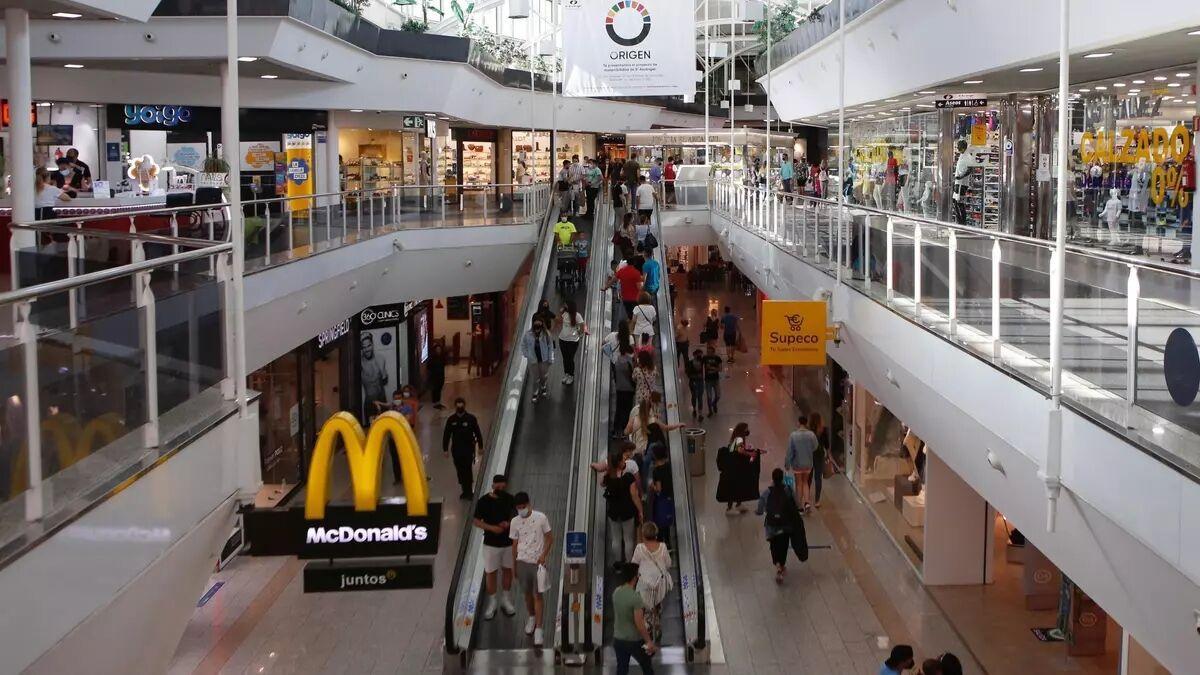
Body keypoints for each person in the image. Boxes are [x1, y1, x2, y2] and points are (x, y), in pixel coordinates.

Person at [509, 491, 553, 646]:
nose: (521, 510)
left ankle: (539, 629)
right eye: (518, 508)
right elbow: (514, 545)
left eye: (523, 506)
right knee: (527, 594)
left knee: (538, 595)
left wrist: (544, 555)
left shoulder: (541, 518)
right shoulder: (514, 522)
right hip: (522, 562)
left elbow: (550, 538)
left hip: (537, 563)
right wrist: (514, 565)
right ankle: (532, 617)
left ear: (529, 504)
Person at [474, 474, 518, 620]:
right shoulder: (483, 501)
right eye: (498, 486)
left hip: (508, 543)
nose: (500, 489)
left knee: (507, 570)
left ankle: (505, 599)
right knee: (491, 573)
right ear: (493, 485)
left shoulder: (510, 499)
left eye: (503, 486)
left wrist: (509, 523)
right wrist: (492, 528)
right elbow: (475, 521)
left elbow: (517, 516)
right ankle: (492, 602)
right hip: (490, 544)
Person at [756, 468, 809, 583]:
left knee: (774, 546)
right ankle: (782, 564)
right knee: (783, 546)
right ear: (782, 479)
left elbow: (760, 506)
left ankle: (778, 565)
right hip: (785, 524)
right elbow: (797, 503)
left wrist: (759, 512)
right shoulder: (788, 490)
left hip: (772, 526)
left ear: (773, 478)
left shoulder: (768, 492)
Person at [612, 562, 657, 675]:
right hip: (633, 641)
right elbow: (639, 623)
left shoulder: (616, 592)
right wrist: (648, 641)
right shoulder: (635, 598)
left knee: (622, 670)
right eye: (638, 575)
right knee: (647, 667)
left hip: (618, 639)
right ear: (634, 577)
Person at [631, 521, 672, 642]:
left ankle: (648, 630)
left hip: (644, 586)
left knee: (645, 608)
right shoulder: (663, 547)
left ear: (643, 535)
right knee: (657, 606)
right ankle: (657, 627)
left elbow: (634, 565)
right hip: (659, 585)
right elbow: (668, 564)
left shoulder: (639, 548)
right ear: (656, 535)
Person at [602, 451, 642, 562]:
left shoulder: (609, 478)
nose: (624, 461)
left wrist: (608, 471)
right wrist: (640, 510)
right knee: (628, 540)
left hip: (614, 512)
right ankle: (629, 563)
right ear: (619, 463)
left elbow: (602, 483)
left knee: (616, 539)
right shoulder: (628, 477)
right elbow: (634, 496)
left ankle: (618, 564)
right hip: (627, 512)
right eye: (623, 460)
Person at [443, 397, 484, 499]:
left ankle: (469, 491)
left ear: (464, 405)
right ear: (455, 406)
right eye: (458, 405)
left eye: (461, 404)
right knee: (460, 470)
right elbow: (446, 435)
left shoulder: (471, 418)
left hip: (468, 449)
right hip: (456, 450)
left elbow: (477, 432)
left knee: (467, 469)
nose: (460, 407)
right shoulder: (451, 420)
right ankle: (464, 490)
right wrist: (445, 449)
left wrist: (480, 447)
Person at [716, 423, 762, 513]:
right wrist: (750, 454)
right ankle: (732, 506)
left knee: (736, 486)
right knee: (737, 485)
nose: (748, 431)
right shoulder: (739, 439)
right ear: (742, 430)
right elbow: (740, 450)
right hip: (736, 466)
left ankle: (735, 505)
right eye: (746, 429)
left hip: (733, 465)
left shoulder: (736, 438)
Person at [786, 413, 819, 513]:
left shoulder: (793, 435)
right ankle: (807, 502)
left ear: (798, 423)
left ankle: (799, 506)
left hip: (797, 464)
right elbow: (815, 446)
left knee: (798, 484)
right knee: (805, 482)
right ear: (806, 423)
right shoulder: (811, 435)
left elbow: (790, 451)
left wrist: (787, 463)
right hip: (808, 463)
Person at [521, 318, 556, 403]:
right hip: (533, 361)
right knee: (536, 378)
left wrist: (551, 358)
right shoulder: (528, 335)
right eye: (535, 326)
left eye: (539, 326)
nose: (537, 328)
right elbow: (523, 345)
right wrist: (527, 354)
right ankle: (535, 393)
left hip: (544, 360)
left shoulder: (546, 334)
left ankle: (543, 386)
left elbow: (550, 347)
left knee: (544, 376)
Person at [555, 298, 588, 385]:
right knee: (565, 358)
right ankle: (566, 373)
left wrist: (579, 335)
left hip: (572, 341)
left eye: (566, 305)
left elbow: (582, 326)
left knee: (570, 358)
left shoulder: (577, 316)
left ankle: (571, 375)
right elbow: (558, 321)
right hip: (562, 340)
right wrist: (561, 312)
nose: (564, 306)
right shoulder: (564, 314)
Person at [604, 255, 644, 321]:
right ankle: (634, 322)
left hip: (625, 298)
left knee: (629, 314)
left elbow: (612, 280)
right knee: (636, 314)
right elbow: (639, 287)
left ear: (627, 263)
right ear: (634, 263)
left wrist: (605, 287)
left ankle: (630, 321)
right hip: (635, 298)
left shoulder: (622, 271)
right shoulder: (637, 273)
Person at [360, 332, 389, 416]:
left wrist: (382, 370)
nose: (367, 349)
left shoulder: (380, 359)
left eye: (369, 346)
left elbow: (385, 382)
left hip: (382, 400)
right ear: (362, 349)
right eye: (364, 347)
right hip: (370, 403)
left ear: (372, 345)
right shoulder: (360, 363)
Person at [612, 341, 637, 439]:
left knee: (618, 409)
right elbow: (632, 376)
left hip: (619, 388)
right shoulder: (629, 361)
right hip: (628, 389)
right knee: (627, 410)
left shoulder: (616, 361)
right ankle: (624, 430)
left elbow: (615, 375)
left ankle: (615, 430)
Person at [808, 412, 828, 508]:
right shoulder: (823, 430)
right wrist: (828, 454)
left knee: (809, 477)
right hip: (819, 455)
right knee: (818, 478)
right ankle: (817, 500)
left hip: (810, 455)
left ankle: (806, 498)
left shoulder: (808, 431)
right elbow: (827, 444)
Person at [701, 344, 723, 416]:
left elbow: (720, 369)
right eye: (707, 352)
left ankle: (714, 403)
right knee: (709, 396)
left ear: (713, 352)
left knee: (718, 395)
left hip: (716, 379)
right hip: (708, 380)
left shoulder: (717, 358)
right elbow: (700, 366)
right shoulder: (704, 358)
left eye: (710, 352)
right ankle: (710, 410)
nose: (708, 353)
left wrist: (712, 368)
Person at [685, 349, 706, 421]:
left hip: (700, 381)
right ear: (694, 355)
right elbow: (687, 373)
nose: (700, 356)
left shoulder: (702, 362)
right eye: (698, 355)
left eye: (701, 355)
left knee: (700, 397)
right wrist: (694, 375)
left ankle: (700, 413)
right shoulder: (690, 363)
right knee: (694, 396)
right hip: (693, 381)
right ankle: (694, 408)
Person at [428, 342, 447, 409]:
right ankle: (435, 402)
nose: (438, 351)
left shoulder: (442, 357)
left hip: (441, 375)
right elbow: (429, 367)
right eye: (437, 349)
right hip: (434, 376)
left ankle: (438, 402)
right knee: (435, 389)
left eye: (439, 349)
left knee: (439, 389)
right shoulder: (432, 358)